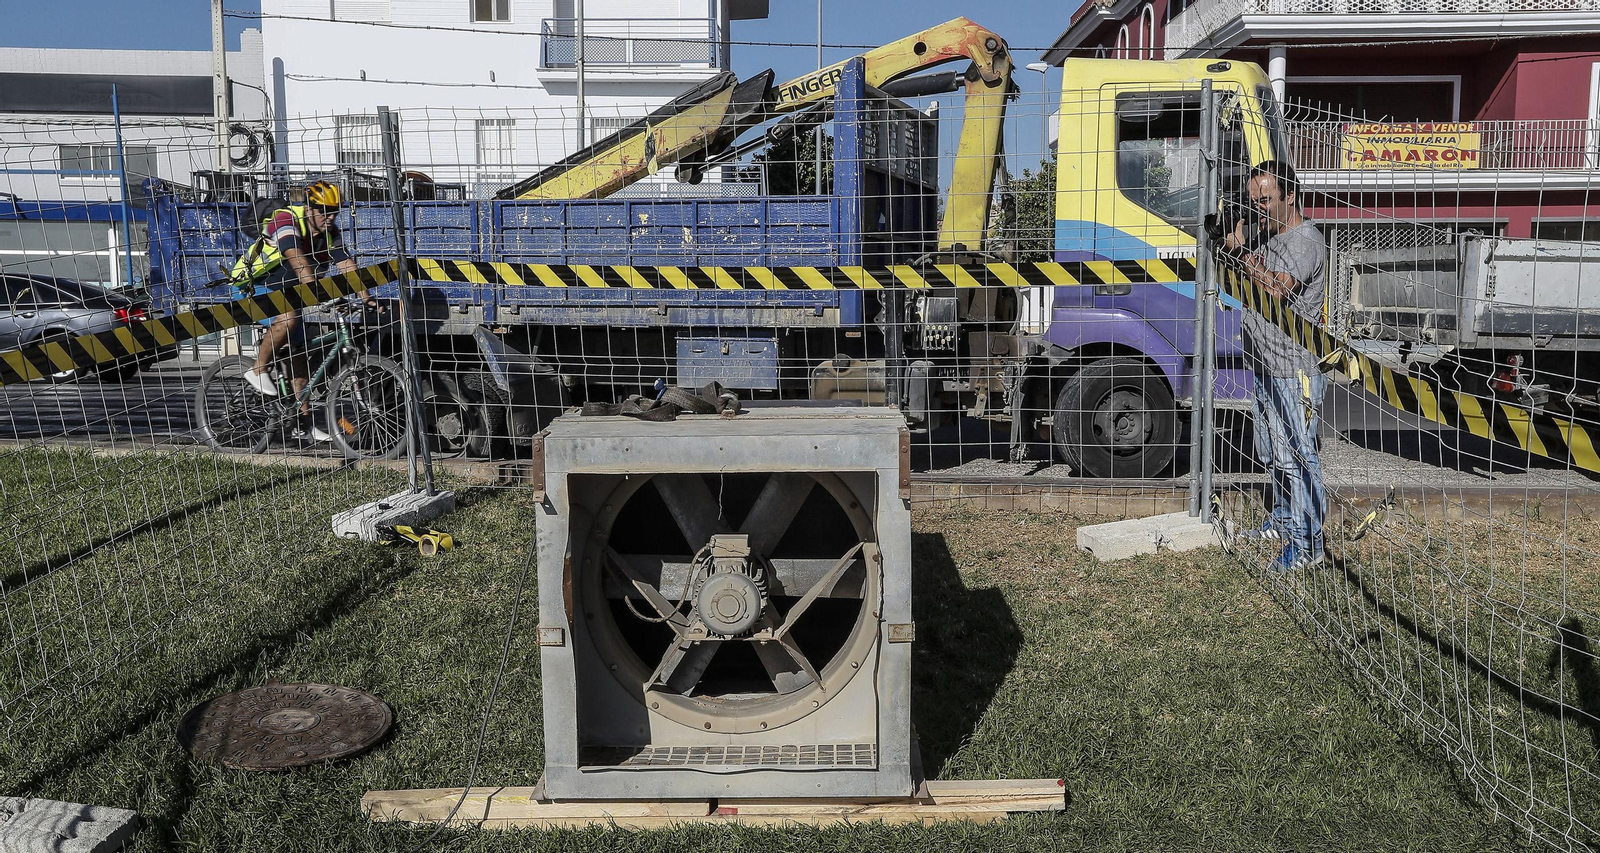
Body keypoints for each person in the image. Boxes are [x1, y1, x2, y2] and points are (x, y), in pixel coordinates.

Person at [1223, 160, 1328, 572]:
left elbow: (1274, 289)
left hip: (1293, 370)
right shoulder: (1271, 236)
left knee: (1297, 458)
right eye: (1253, 201)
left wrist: (1242, 253)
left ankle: (1307, 545)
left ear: (1291, 196)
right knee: (1271, 453)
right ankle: (1283, 521)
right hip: (1266, 364)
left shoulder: (1304, 241)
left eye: (1265, 200)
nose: (1258, 209)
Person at [233, 181, 378, 440]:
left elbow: (346, 264)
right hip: (252, 287)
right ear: (309, 208)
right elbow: (298, 261)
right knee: (288, 319)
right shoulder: (285, 220)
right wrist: (320, 295)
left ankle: (304, 425)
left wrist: (366, 298)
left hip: (287, 292)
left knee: (300, 357)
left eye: (334, 212)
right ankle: (257, 368)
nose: (329, 217)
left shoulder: (330, 232)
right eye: (323, 211)